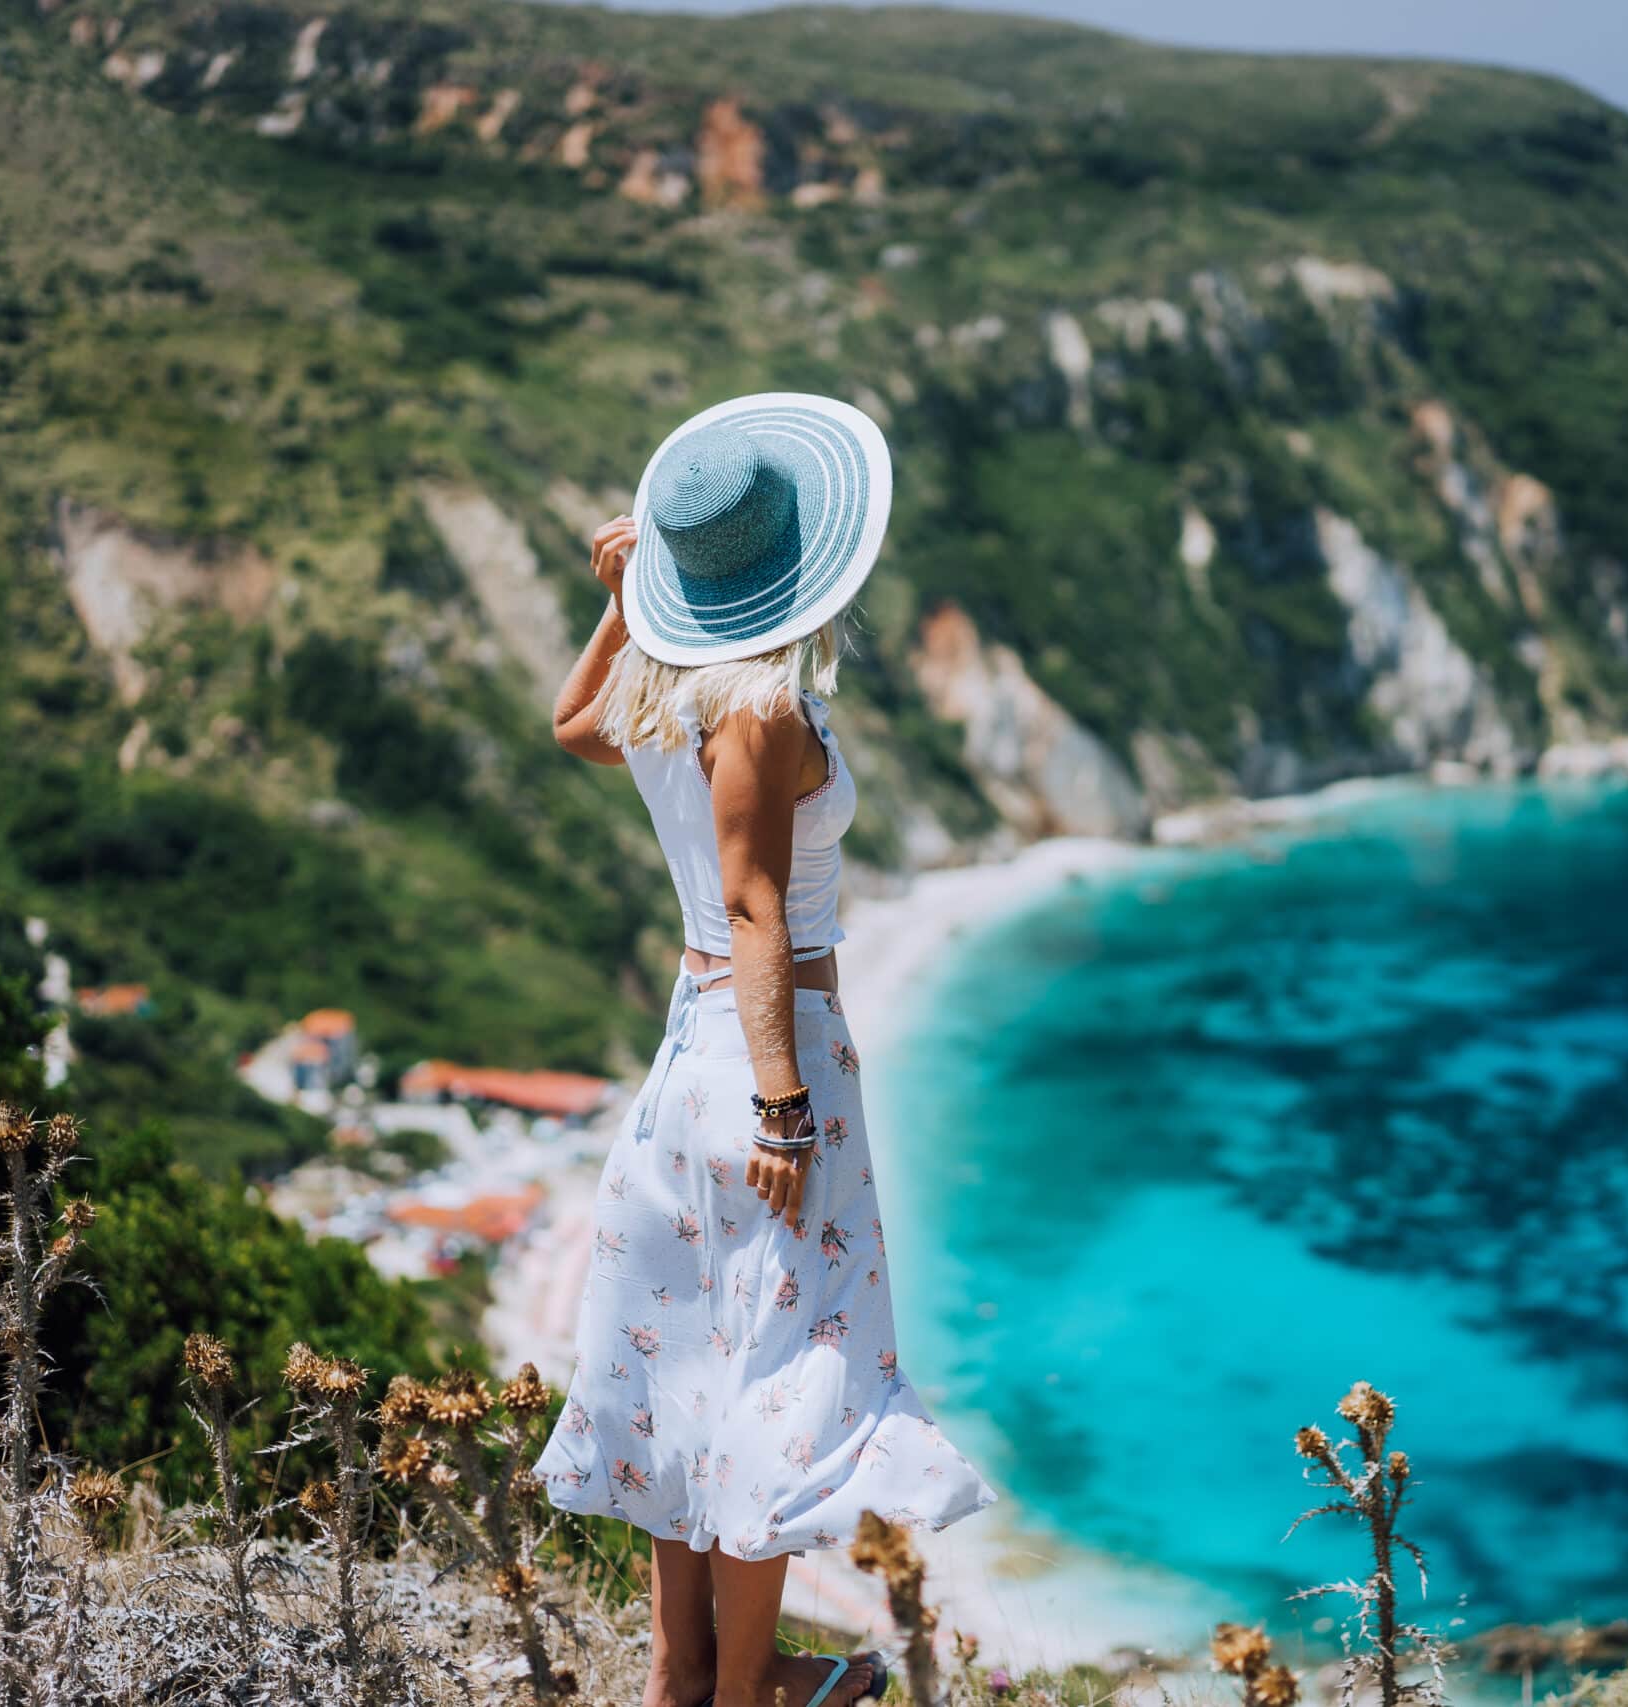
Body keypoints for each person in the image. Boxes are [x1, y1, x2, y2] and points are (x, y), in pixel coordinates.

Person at [540, 394, 992, 1707]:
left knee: (695, 1364)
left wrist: (627, 606)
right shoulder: (765, 711)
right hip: (769, 1052)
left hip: (690, 1056)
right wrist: (786, 1108)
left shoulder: (667, 691)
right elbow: (753, 910)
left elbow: (573, 724)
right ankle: (747, 1694)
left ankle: (690, 1677)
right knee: (779, 1383)